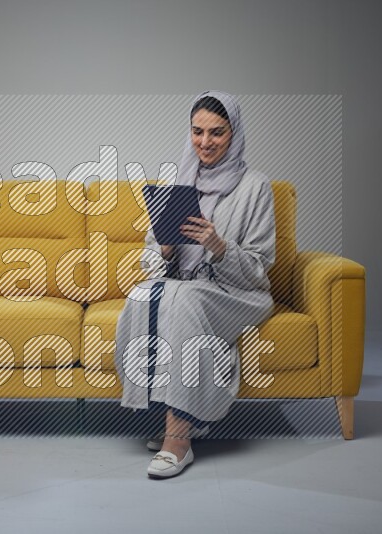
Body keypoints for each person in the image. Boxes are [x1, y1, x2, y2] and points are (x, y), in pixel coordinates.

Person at [113, 91, 277, 479]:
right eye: (197, 132)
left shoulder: (255, 186)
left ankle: (178, 439)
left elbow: (258, 270)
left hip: (237, 293)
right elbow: (149, 262)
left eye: (217, 133)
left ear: (234, 134)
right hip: (183, 286)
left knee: (184, 298)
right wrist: (166, 248)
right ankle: (186, 417)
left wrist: (219, 247)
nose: (205, 142)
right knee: (145, 296)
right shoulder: (178, 181)